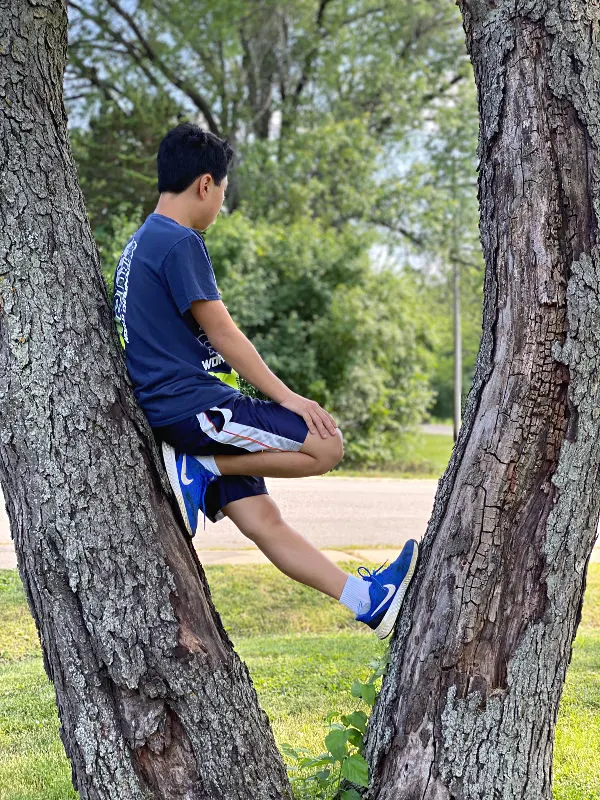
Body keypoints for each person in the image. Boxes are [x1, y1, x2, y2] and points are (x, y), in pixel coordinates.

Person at [113, 121, 418, 639]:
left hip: (179, 410)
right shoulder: (177, 241)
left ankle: (368, 601)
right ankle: (198, 465)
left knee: (264, 521)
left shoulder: (140, 242)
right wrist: (290, 399)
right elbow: (225, 333)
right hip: (195, 410)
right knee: (325, 446)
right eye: (223, 193)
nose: (220, 206)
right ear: (205, 184)